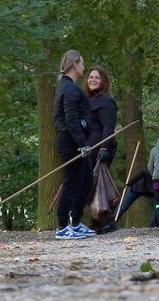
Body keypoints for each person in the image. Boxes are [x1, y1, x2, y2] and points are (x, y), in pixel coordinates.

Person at [53, 50, 97, 239]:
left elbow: (70, 119)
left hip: (75, 140)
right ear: (74, 64)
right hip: (71, 142)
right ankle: (63, 226)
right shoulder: (68, 88)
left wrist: (83, 125)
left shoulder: (67, 86)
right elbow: (70, 119)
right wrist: (81, 142)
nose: (84, 67)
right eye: (82, 63)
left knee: (86, 179)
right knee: (72, 182)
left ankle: (76, 222)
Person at [83, 66, 119, 234]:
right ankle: (97, 221)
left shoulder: (105, 101)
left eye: (97, 77)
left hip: (101, 147)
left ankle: (107, 221)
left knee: (98, 183)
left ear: (103, 81)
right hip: (90, 147)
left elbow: (108, 127)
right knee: (93, 184)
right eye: (90, 77)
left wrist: (104, 147)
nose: (93, 80)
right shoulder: (88, 100)